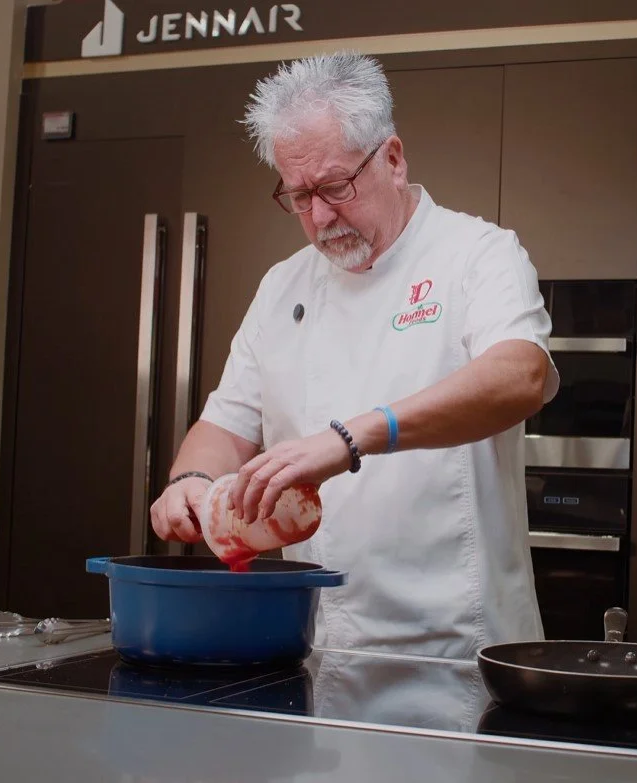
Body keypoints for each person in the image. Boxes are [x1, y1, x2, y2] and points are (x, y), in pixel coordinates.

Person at [149, 51, 560, 659]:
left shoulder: (478, 254)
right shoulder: (282, 286)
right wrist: (189, 481)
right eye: (298, 196)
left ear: (392, 159)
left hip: (453, 650)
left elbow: (519, 376)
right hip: (312, 643)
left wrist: (349, 439)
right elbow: (225, 423)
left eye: (334, 187)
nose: (318, 216)